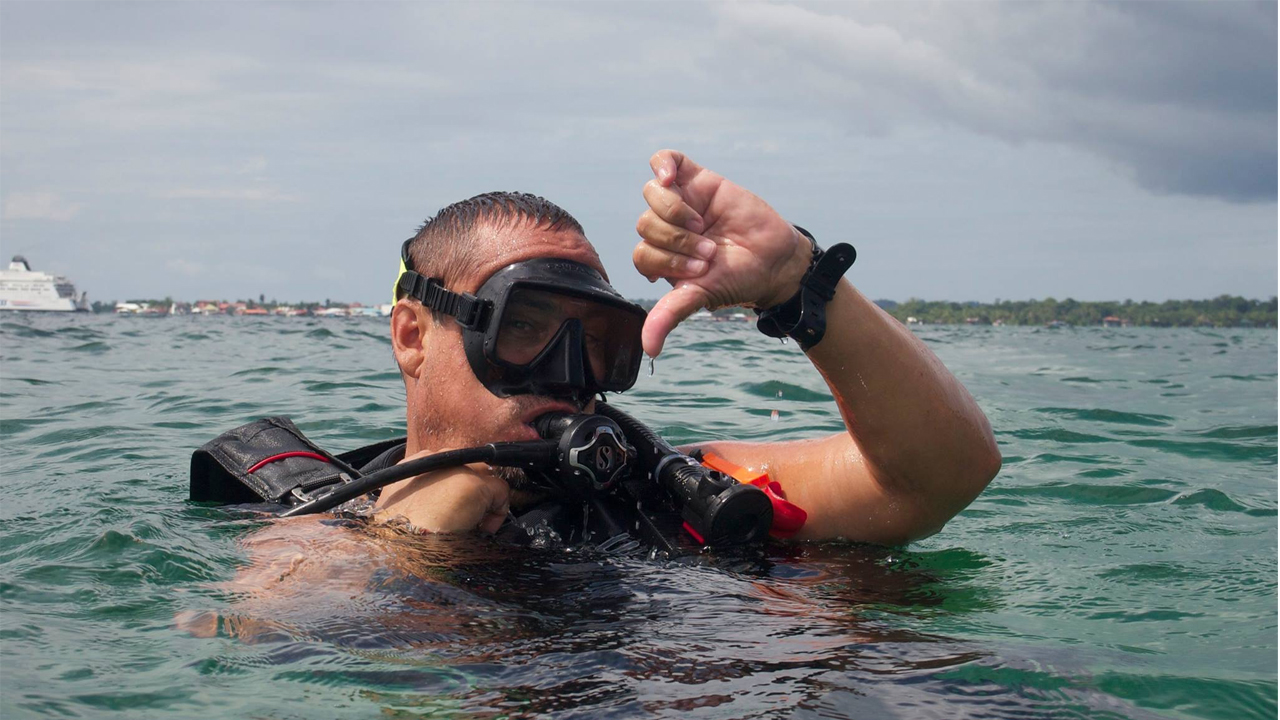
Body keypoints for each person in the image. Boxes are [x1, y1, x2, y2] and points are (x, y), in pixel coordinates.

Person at [374, 150, 1000, 546]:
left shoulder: (672, 487)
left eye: (598, 343)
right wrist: (397, 546)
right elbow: (275, 628)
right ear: (413, 338)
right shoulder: (312, 517)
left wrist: (794, 280)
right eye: (524, 327)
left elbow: (941, 479)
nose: (569, 377)